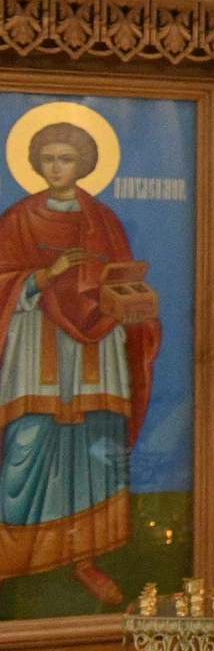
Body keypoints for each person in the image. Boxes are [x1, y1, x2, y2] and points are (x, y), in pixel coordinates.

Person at [0, 119, 159, 608]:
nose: (56, 167)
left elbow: (123, 275)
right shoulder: (18, 218)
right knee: (28, 441)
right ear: (34, 163)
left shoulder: (103, 219)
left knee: (95, 441)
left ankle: (86, 561)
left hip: (96, 344)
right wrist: (49, 274)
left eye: (65, 159)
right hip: (36, 343)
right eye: (47, 158)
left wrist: (111, 288)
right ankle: (15, 556)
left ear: (84, 164)